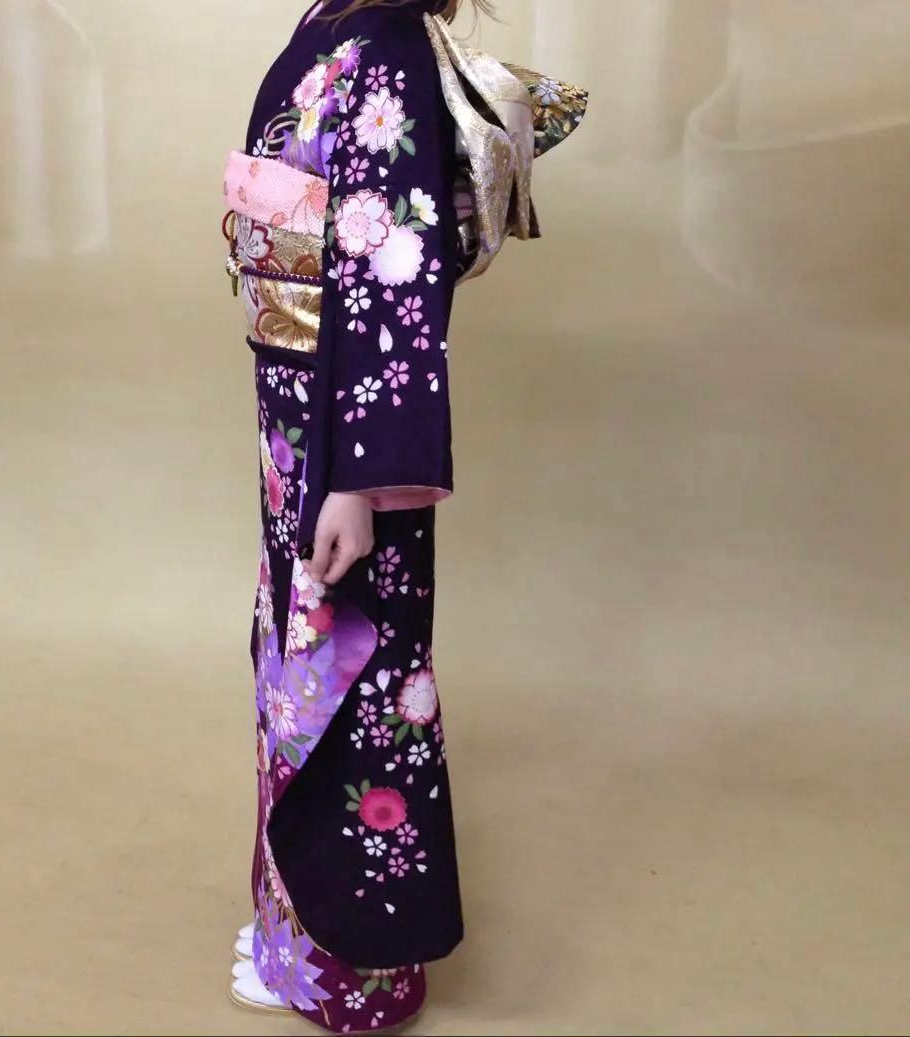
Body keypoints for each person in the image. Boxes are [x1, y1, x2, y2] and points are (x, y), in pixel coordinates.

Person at [220, 0, 585, 1030]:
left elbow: (394, 280)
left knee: (357, 674)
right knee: (298, 669)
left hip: (346, 434)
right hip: (302, 410)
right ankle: (295, 930)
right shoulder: (336, 23)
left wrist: (358, 481)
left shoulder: (383, 50)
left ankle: (355, 972)